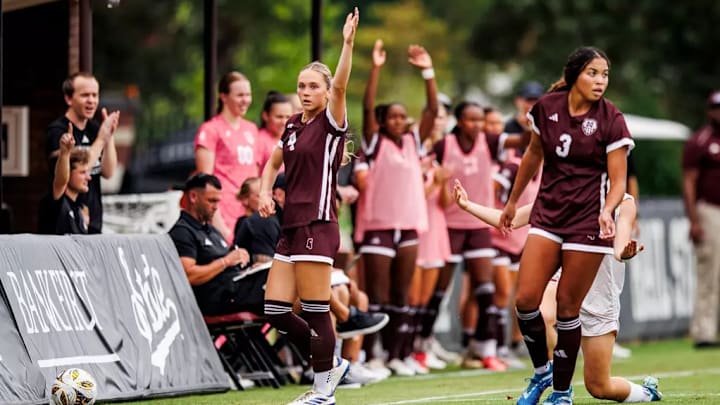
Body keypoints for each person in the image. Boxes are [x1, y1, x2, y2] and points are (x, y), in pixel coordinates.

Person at [498, 46, 635, 405]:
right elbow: (533, 155)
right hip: (549, 214)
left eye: (605, 74)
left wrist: (608, 210)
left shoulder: (612, 118)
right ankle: (542, 372)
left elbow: (619, 181)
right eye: (593, 73)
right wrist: (512, 203)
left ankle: (561, 392)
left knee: (566, 307)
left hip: (588, 222)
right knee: (525, 300)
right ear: (575, 74)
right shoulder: (546, 108)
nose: (600, 81)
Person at [454, 180, 662, 402]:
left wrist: (624, 253)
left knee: (599, 386)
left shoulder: (623, 201)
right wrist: (468, 206)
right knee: (536, 309)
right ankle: (550, 377)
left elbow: (620, 245)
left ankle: (647, 393)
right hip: (564, 279)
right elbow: (510, 220)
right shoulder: (562, 192)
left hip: (599, 296)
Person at [258, 8, 358, 405]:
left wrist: (347, 44)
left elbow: (342, 86)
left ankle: (323, 390)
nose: (304, 91)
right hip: (291, 225)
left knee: (317, 309)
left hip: (318, 224)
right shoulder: (293, 125)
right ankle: (329, 366)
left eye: (312, 86)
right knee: (275, 310)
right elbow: (272, 161)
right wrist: (266, 191)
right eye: (301, 85)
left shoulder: (331, 122)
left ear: (325, 91)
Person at [353, 38, 438, 376]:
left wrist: (428, 72)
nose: (402, 121)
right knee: (377, 296)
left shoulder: (413, 142)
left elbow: (431, 111)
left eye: (404, 117)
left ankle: (397, 355)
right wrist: (375, 68)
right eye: (394, 117)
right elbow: (366, 105)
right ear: (383, 121)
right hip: (378, 227)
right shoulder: (374, 144)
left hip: (409, 226)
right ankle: (373, 355)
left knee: (402, 294)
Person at [168, 173, 266, 316]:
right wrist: (226, 261)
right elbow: (189, 276)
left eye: (218, 202)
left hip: (235, 290)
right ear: (193, 197)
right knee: (279, 293)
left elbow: (230, 264)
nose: (216, 207)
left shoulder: (212, 231)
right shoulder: (182, 232)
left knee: (274, 278)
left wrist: (249, 269)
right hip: (215, 299)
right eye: (211, 201)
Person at [46, 72, 119, 234]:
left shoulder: (95, 129)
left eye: (95, 95)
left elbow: (108, 172)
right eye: (85, 95)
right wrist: (101, 139)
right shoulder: (58, 131)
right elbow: (72, 171)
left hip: (93, 221)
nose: (91, 101)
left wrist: (109, 135)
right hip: (67, 224)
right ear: (69, 99)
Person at [195, 71, 260, 243]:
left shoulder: (251, 129)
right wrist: (219, 224)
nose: (245, 100)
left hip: (249, 214)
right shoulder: (211, 130)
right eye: (239, 95)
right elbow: (205, 182)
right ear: (223, 97)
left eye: (248, 94)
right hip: (224, 213)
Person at [682, 89, 720, 349]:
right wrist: (694, 220)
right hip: (710, 211)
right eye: (716, 108)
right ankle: (704, 331)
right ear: (709, 111)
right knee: (710, 272)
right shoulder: (700, 141)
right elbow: (689, 182)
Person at [38, 131, 91, 235]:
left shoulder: (81, 209)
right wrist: (65, 153)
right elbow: (61, 180)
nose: (88, 177)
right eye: (82, 172)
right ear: (68, 173)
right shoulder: (55, 201)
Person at [257, 91, 294, 171]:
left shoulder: (292, 139)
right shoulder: (259, 140)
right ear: (265, 116)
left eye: (288, 117)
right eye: (279, 117)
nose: (284, 122)